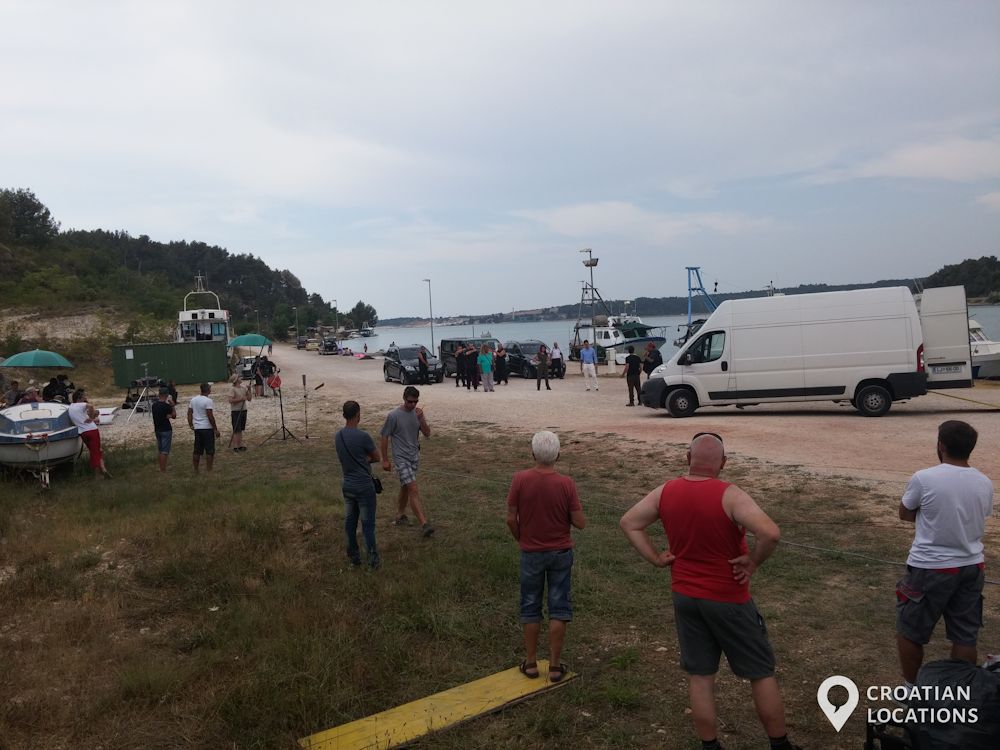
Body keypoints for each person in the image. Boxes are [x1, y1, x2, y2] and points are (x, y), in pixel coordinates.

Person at [619, 433, 800, 750]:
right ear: (723, 463)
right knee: (760, 673)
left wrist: (655, 558)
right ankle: (780, 745)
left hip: (685, 597)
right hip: (728, 599)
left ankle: (710, 746)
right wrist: (753, 562)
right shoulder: (730, 495)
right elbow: (770, 533)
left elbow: (629, 522)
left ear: (688, 458)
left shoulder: (666, 491)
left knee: (701, 676)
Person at [896, 420, 993, 684]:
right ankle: (961, 692)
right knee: (964, 636)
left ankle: (912, 690)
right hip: (972, 566)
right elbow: (979, 515)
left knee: (910, 631)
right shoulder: (984, 482)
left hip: (930, 566)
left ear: (941, 445)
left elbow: (905, 513)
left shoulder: (924, 477)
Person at [506, 431, 586, 683]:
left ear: (532, 454)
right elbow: (580, 522)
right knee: (558, 606)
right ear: (558, 456)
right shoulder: (567, 484)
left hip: (531, 552)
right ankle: (554, 666)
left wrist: (521, 538)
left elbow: (511, 518)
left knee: (530, 604)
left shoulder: (520, 479)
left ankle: (530, 663)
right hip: (560, 553)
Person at [381, 386, 434, 536]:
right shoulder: (394, 416)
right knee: (413, 489)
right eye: (410, 401)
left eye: (415, 402)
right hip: (401, 458)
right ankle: (424, 524)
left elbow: (427, 433)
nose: (413, 405)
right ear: (404, 398)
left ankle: (400, 515)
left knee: (405, 486)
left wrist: (421, 418)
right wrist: (385, 460)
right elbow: (384, 436)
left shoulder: (417, 413)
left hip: (414, 456)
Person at [335, 400, 382, 569]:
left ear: (343, 415)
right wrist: (365, 460)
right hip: (363, 486)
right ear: (358, 415)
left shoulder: (338, 436)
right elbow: (377, 457)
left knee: (350, 523)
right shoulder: (363, 437)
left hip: (347, 484)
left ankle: (354, 557)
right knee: (368, 525)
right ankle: (372, 560)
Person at [68, 389, 112, 479]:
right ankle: (98, 474)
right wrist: (92, 418)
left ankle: (103, 468)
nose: (85, 398)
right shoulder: (81, 405)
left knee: (96, 451)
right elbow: (91, 406)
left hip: (82, 432)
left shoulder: (70, 407)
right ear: (79, 398)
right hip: (92, 430)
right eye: (84, 396)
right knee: (95, 452)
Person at [188, 382, 221, 472]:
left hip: (197, 428)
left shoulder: (193, 400)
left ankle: (196, 469)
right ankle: (209, 469)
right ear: (208, 390)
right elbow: (210, 416)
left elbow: (189, 413)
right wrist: (215, 429)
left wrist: (191, 424)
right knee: (209, 450)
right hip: (207, 428)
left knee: (197, 450)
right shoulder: (208, 401)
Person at [150, 386, 177, 473]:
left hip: (157, 429)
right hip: (166, 429)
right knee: (164, 451)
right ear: (166, 395)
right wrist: (172, 406)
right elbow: (174, 416)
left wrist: (168, 415)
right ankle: (163, 470)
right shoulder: (166, 406)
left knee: (160, 450)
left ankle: (161, 467)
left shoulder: (154, 405)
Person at [228, 373, 252, 452]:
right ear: (236, 380)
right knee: (236, 429)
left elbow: (249, 399)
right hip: (236, 411)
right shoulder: (232, 389)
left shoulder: (243, 388)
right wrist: (241, 399)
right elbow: (230, 400)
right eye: (239, 377)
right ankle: (235, 446)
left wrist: (249, 390)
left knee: (241, 429)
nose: (241, 378)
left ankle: (240, 444)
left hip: (243, 410)